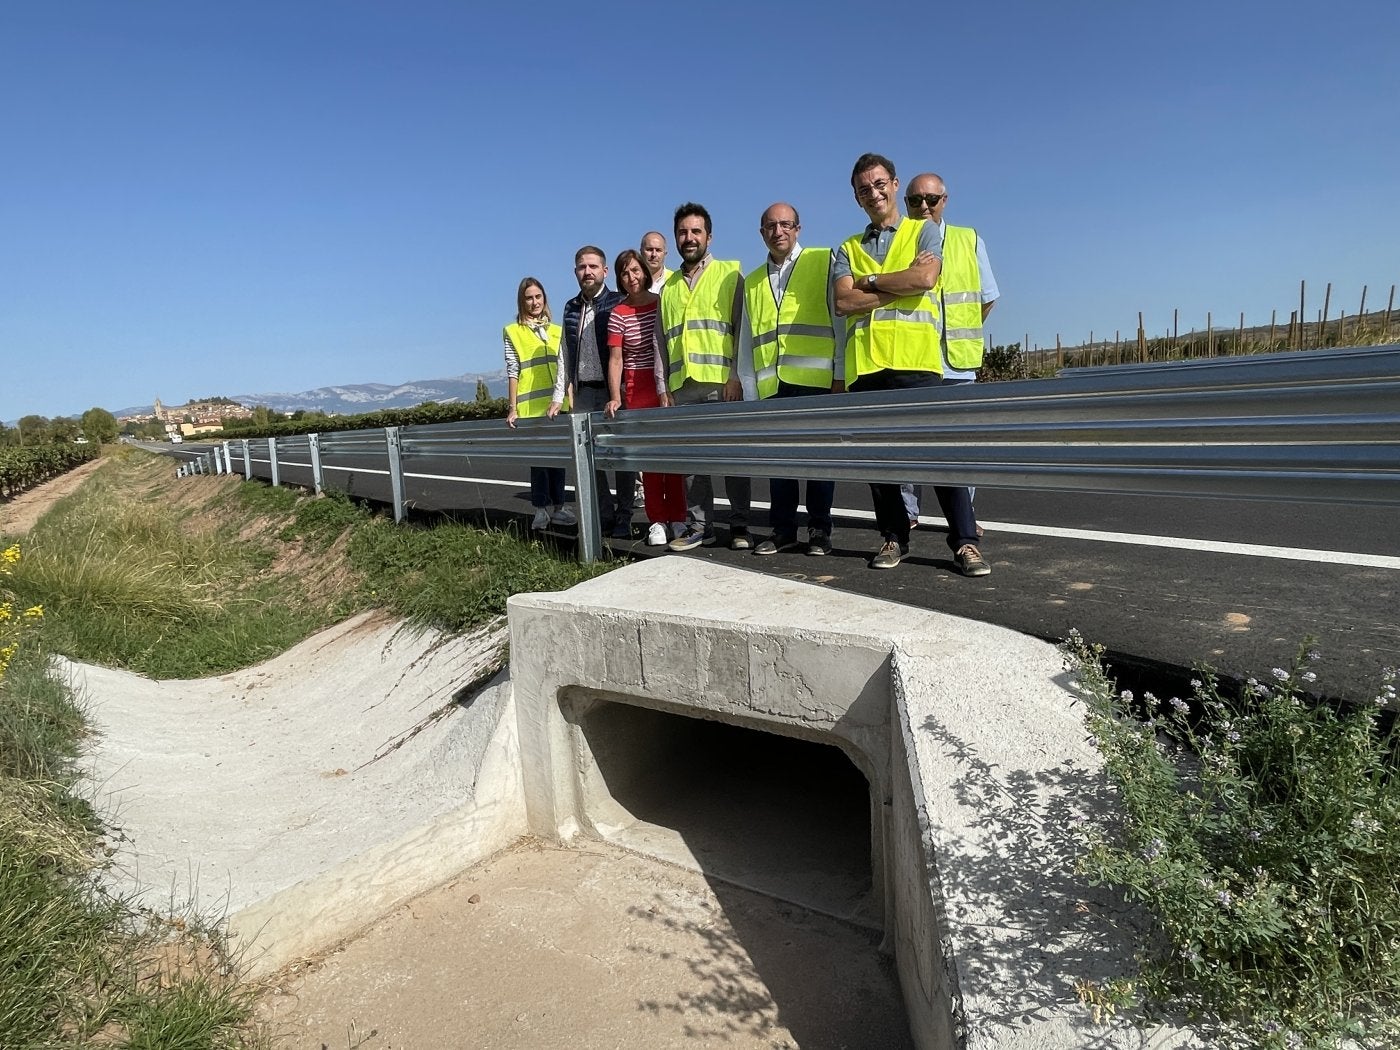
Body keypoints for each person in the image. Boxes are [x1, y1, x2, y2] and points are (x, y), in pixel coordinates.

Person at [832, 152, 989, 576]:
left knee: (941, 455)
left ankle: (965, 542)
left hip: (918, 362)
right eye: (864, 189)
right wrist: (894, 284)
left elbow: (924, 279)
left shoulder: (925, 232)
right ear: (856, 197)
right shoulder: (846, 247)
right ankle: (893, 537)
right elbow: (844, 301)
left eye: (880, 184)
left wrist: (870, 281)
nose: (873, 193)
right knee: (881, 463)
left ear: (895, 184)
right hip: (867, 367)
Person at [735, 202, 843, 556]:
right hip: (771, 386)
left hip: (815, 381)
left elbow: (838, 321)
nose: (777, 231)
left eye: (785, 224)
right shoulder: (752, 281)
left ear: (798, 228)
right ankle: (783, 531)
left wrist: (839, 375)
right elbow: (747, 343)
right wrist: (751, 394)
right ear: (761, 232)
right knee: (779, 462)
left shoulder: (821, 261)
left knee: (818, 460)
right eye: (770, 226)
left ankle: (819, 530)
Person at [900, 172, 999, 533]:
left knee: (959, 444)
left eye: (931, 199)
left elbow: (987, 298)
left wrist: (961, 330)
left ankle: (964, 517)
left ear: (945, 200)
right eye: (915, 200)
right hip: (912, 359)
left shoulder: (968, 240)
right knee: (910, 441)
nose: (923, 206)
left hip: (957, 361)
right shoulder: (898, 242)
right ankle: (908, 512)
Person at [659, 202, 753, 552]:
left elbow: (741, 329)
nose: (689, 237)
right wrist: (666, 386)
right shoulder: (668, 287)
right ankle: (701, 527)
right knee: (693, 463)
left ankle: (741, 525)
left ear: (708, 237)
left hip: (721, 383)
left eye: (696, 231)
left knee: (732, 457)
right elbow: (661, 341)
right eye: (683, 232)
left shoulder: (730, 274)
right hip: (683, 387)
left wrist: (735, 376)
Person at [548, 246, 637, 538]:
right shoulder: (570, 307)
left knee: (621, 458)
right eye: (582, 267)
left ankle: (625, 516)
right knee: (589, 460)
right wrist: (558, 395)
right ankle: (604, 516)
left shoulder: (617, 301)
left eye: (593, 267)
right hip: (584, 393)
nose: (587, 272)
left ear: (604, 271)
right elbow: (564, 352)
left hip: (614, 391)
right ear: (575, 272)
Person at [606, 249, 687, 545]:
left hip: (665, 382)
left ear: (645, 271)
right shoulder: (618, 313)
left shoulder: (662, 303)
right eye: (625, 273)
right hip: (636, 387)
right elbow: (616, 358)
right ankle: (657, 520)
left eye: (635, 271)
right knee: (650, 458)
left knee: (673, 455)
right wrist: (616, 396)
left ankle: (678, 517)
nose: (631, 278)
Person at [503, 277, 574, 530]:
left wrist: (570, 399)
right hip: (532, 406)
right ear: (522, 302)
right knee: (541, 461)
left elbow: (566, 367)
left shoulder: (557, 330)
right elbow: (513, 370)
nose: (534, 302)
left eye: (538, 297)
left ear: (544, 299)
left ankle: (559, 507)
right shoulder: (513, 331)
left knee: (558, 458)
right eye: (529, 298)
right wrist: (513, 407)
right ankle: (541, 509)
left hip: (558, 405)